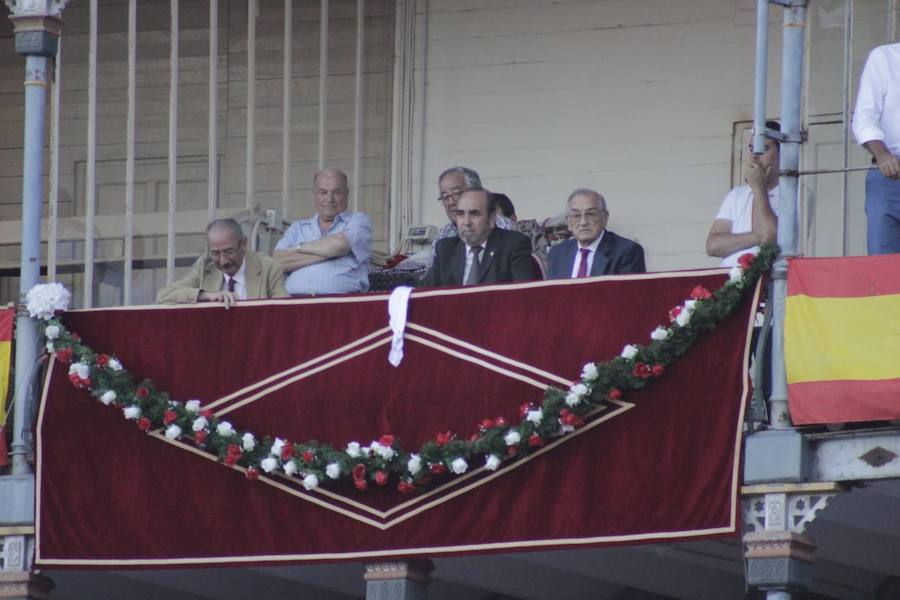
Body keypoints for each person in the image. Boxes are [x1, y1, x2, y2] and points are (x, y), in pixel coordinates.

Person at [273, 168, 372, 295]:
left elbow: (340, 245)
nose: (329, 199)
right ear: (314, 194)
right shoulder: (298, 227)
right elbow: (277, 262)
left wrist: (298, 248)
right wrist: (328, 252)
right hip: (295, 305)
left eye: (336, 192)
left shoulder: (358, 221)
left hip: (342, 306)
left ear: (347, 193)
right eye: (323, 192)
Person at [157, 218, 288, 308]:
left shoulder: (269, 267)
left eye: (229, 252)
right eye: (215, 253)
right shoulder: (205, 265)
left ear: (243, 244)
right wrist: (206, 296)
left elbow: (285, 310)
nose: (223, 261)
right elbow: (164, 295)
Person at [421, 188, 535, 287]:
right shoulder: (445, 248)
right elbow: (424, 289)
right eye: (460, 214)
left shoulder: (514, 244)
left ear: (491, 219)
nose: (466, 222)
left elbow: (523, 297)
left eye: (474, 214)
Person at [706, 121, 781, 266]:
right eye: (752, 148)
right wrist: (757, 235)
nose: (755, 156)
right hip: (731, 281)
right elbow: (713, 246)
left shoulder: (797, 195)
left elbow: (770, 238)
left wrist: (759, 188)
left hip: (771, 282)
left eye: (763, 149)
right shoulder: (736, 194)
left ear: (781, 153)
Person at [852, 43, 900, 255]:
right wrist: (882, 155)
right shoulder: (885, 57)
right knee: (883, 262)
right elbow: (864, 120)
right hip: (890, 175)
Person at [548, 188, 645, 278]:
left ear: (604, 218)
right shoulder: (557, 253)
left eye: (590, 214)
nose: (583, 222)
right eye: (576, 215)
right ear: (568, 222)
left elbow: (629, 295)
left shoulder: (627, 252)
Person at [430, 167, 517, 265]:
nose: (450, 202)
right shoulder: (444, 234)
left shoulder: (502, 225)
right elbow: (432, 274)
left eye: (456, 193)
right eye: (445, 197)